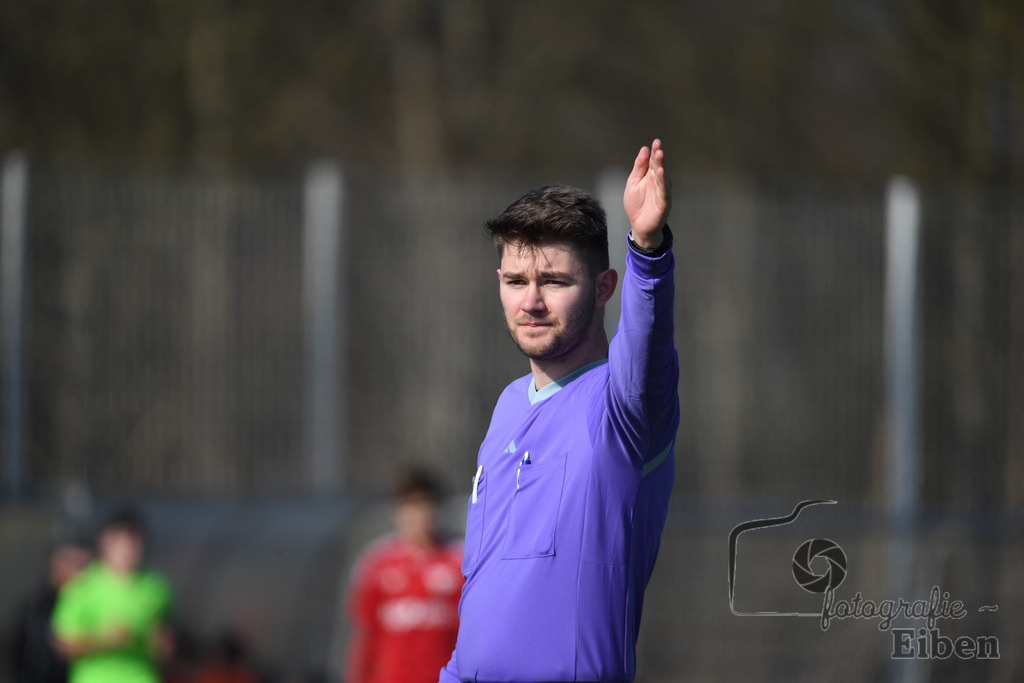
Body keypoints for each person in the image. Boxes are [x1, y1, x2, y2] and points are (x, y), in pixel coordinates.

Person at [439, 139, 679, 683]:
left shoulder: (626, 406)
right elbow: (483, 590)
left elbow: (647, 345)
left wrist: (647, 247)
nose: (531, 301)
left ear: (603, 289)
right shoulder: (505, 407)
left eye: (554, 281)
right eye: (515, 281)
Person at [346, 468, 464, 683]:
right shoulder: (377, 563)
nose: (421, 514)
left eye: (426, 503)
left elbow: (469, 635)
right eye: (412, 505)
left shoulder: (458, 562)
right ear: (398, 512)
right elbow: (365, 637)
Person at [51, 508, 174, 683]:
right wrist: (105, 640)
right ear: (105, 543)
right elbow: (62, 646)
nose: (129, 549)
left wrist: (159, 644)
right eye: (122, 542)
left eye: (134, 542)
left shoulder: (156, 588)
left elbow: (166, 642)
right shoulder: (81, 587)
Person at [10, 538, 92, 683]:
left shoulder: (96, 606)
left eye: (82, 565)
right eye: (70, 563)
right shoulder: (36, 608)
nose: (78, 571)